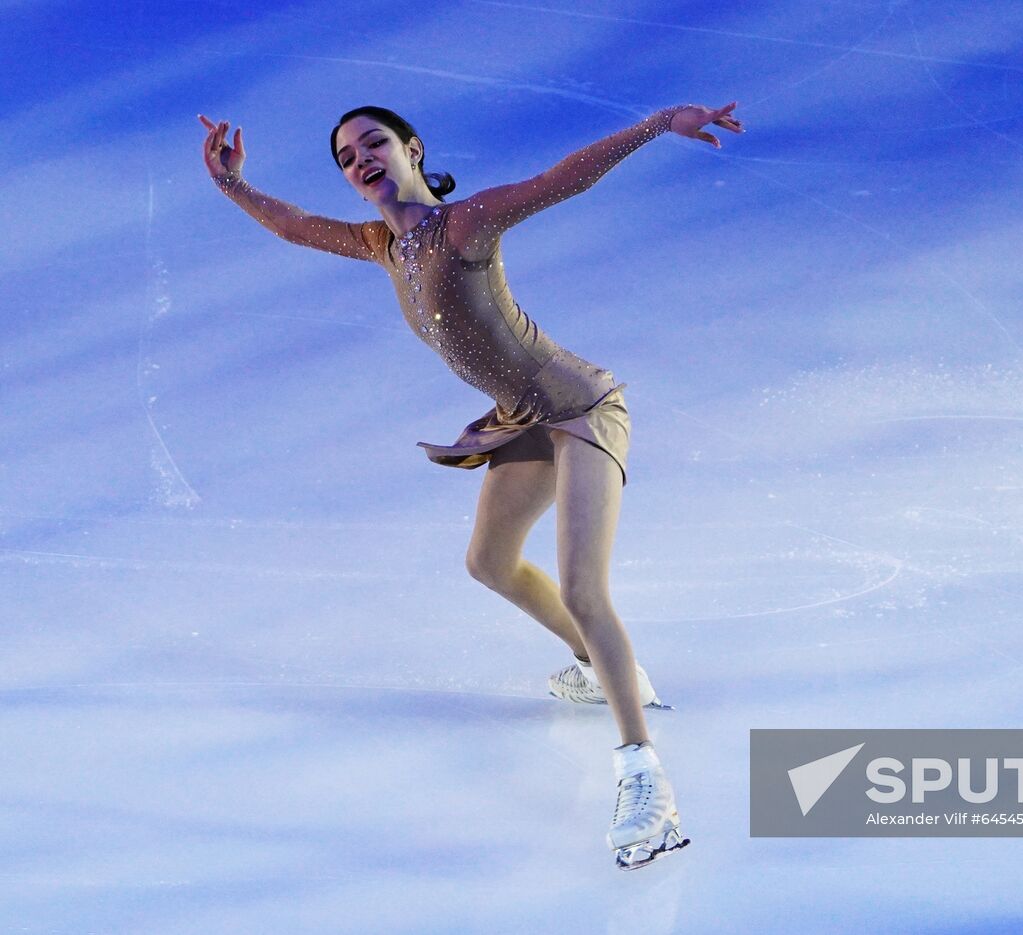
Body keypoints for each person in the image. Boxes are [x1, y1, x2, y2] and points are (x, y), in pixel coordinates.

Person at [197, 99, 742, 870]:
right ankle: (606, 668)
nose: (361, 160)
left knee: (586, 587)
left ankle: (645, 776)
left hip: (581, 408)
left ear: (412, 148)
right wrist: (234, 187)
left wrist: (656, 124)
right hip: (520, 416)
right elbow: (291, 225)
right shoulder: (382, 246)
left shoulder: (465, 226)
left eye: (374, 142)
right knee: (489, 561)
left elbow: (563, 179)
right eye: (347, 157)